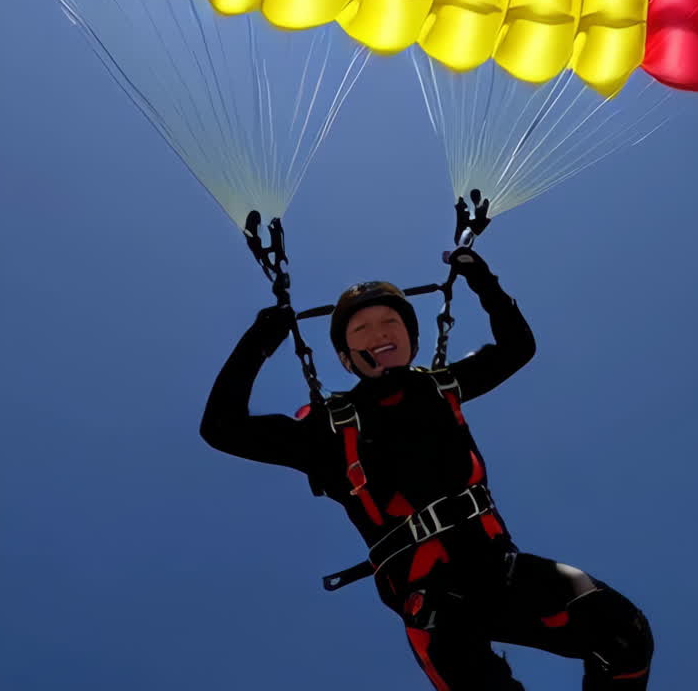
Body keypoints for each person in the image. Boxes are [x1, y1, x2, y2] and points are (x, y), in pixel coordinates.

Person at [200, 248, 653, 689]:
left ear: (412, 339)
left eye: (390, 321)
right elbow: (222, 428)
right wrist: (259, 341)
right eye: (361, 328)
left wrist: (484, 281)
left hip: (501, 570)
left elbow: (518, 347)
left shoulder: (443, 386)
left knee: (625, 633)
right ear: (344, 356)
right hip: (435, 604)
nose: (379, 332)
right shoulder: (327, 430)